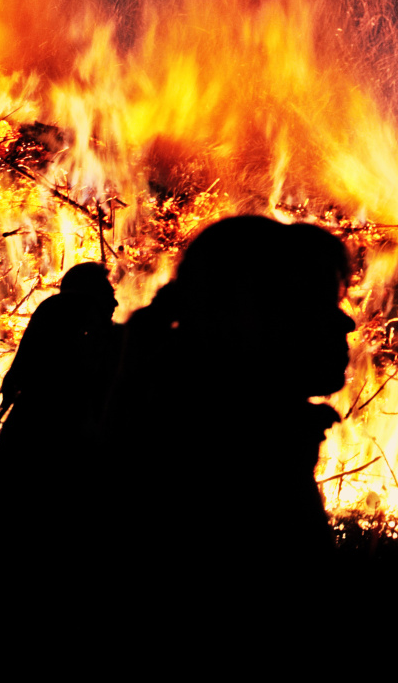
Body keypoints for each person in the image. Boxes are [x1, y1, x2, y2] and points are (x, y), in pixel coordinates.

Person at [105, 216, 354, 572]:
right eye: (315, 303)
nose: (347, 322)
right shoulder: (226, 473)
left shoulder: (265, 445)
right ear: (242, 313)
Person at [0, 262, 120, 523]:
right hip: (62, 463)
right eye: (108, 293)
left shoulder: (49, 313)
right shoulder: (88, 323)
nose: (114, 303)